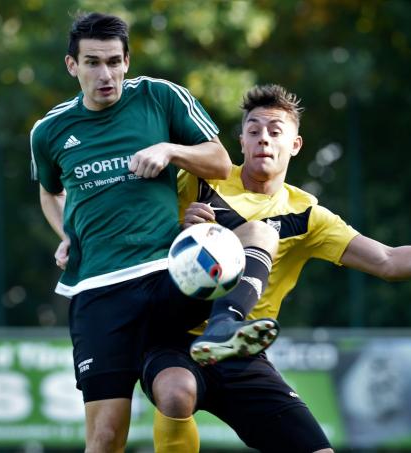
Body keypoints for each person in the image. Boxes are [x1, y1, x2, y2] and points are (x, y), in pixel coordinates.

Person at [141, 84, 411, 452]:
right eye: (253, 131)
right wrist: (180, 228)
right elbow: (138, 238)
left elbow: (388, 261)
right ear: (241, 142)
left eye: (274, 131)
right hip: (176, 335)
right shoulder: (200, 182)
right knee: (175, 392)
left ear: (295, 145)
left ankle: (229, 326)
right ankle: (223, 322)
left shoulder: (308, 214)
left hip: (242, 352)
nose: (263, 139)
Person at [30, 13, 280, 452]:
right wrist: (64, 233)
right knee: (105, 438)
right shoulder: (49, 131)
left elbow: (221, 162)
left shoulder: (160, 97)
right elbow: (50, 193)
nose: (104, 74)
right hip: (96, 291)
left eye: (113, 61)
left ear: (127, 60)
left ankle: (225, 325)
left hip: (168, 274)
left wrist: (169, 150)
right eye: (92, 62)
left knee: (254, 234)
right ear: (72, 65)